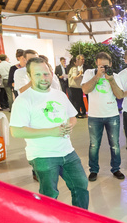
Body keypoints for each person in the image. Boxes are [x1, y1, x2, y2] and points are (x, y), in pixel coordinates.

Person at [9, 57, 89, 209]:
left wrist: (70, 125)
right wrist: (51, 131)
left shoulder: (58, 95)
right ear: (30, 75)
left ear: (51, 73)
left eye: (46, 74)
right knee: (49, 195)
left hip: (67, 151)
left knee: (80, 185)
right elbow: (16, 131)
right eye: (37, 74)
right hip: (42, 155)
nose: (43, 78)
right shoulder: (24, 100)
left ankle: (80, 220)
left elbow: (72, 117)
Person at [81, 52, 125, 181]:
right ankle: (93, 170)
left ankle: (116, 168)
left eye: (105, 66)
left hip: (112, 115)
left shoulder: (115, 76)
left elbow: (119, 95)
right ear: (96, 64)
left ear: (110, 64)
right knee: (94, 145)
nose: (103, 68)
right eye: (100, 65)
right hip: (94, 116)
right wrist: (97, 76)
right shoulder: (90, 73)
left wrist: (110, 80)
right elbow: (85, 90)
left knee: (115, 145)